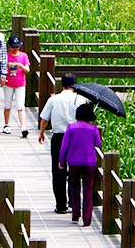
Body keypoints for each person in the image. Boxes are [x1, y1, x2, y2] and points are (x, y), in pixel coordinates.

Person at [38, 74, 88, 214]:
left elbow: (44, 118)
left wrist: (42, 133)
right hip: (76, 138)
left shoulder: (54, 99)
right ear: (74, 85)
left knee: (58, 170)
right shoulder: (81, 100)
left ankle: (61, 205)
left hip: (59, 138)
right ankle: (74, 202)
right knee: (75, 170)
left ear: (62, 85)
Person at [61, 103, 104, 227]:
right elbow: (98, 143)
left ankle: (75, 214)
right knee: (88, 190)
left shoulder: (70, 128)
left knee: (74, 188)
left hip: (74, 162)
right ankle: (87, 219)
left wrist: (61, 160)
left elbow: (65, 146)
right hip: (89, 163)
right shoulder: (93, 128)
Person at [0, 33, 31, 136]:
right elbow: (1, 68)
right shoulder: (6, 56)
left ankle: (23, 127)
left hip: (20, 84)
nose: (15, 49)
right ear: (9, 46)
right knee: (8, 104)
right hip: (8, 83)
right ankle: (6, 124)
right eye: (13, 47)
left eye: (17, 47)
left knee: (20, 105)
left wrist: (20, 66)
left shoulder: (23, 56)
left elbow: (27, 70)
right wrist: (7, 66)